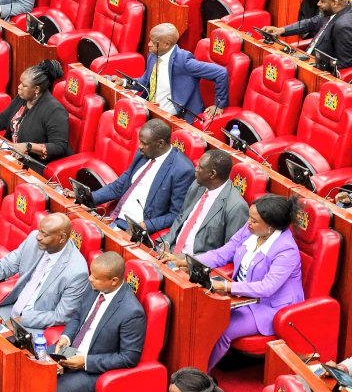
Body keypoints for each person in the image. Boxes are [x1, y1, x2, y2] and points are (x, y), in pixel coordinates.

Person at [36, 252, 146, 392]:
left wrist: (84, 361)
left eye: (95, 277)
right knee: (29, 363)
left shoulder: (132, 312)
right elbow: (77, 316)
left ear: (113, 280)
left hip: (94, 368)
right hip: (71, 350)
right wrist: (66, 338)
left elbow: (129, 358)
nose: (89, 279)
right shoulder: (95, 287)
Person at [186, 195, 305, 369]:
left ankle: (200, 379)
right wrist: (190, 261)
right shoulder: (252, 229)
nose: (248, 222)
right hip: (240, 297)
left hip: (268, 307)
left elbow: (267, 287)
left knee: (221, 329)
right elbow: (224, 253)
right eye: (250, 217)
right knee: (200, 315)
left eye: (254, 220)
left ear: (270, 226)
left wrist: (226, 286)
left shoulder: (287, 249)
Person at [0, 213, 89, 333]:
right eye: (39, 231)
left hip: (35, 327)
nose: (38, 237)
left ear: (62, 238)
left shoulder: (77, 272)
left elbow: (61, 316)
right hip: (10, 310)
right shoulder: (33, 239)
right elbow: (5, 266)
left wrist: (22, 320)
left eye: (44, 234)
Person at [73, 119, 194, 234]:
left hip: (135, 228)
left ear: (160, 143)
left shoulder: (182, 170)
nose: (139, 146)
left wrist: (144, 226)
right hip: (113, 218)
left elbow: (176, 215)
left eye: (144, 143)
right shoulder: (144, 153)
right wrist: (86, 197)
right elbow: (119, 186)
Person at [0, 60, 71, 164]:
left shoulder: (55, 111)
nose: (19, 87)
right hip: (11, 153)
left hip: (33, 164)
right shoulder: (23, 98)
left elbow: (59, 147)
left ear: (36, 89)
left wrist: (28, 146)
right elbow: (2, 119)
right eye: (20, 83)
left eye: (24, 85)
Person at [111, 23, 229, 122]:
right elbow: (146, 82)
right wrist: (124, 82)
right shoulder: (153, 54)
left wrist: (219, 105)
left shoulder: (184, 61)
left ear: (166, 44)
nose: (149, 44)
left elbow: (221, 73)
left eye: (153, 42)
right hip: (151, 109)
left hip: (176, 117)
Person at [162, 150, 249, 257]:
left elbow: (229, 251)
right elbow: (182, 216)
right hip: (172, 250)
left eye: (200, 167)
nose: (195, 169)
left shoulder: (236, 207)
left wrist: (187, 262)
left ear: (212, 174)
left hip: (194, 262)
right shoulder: (197, 185)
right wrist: (166, 242)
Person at [262, 0, 352, 69]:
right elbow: (310, 23)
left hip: (315, 70)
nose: (318, 4)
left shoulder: (343, 26)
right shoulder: (334, 11)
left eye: (322, 1)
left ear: (335, 3)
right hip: (307, 59)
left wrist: (316, 67)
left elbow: (345, 63)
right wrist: (281, 30)